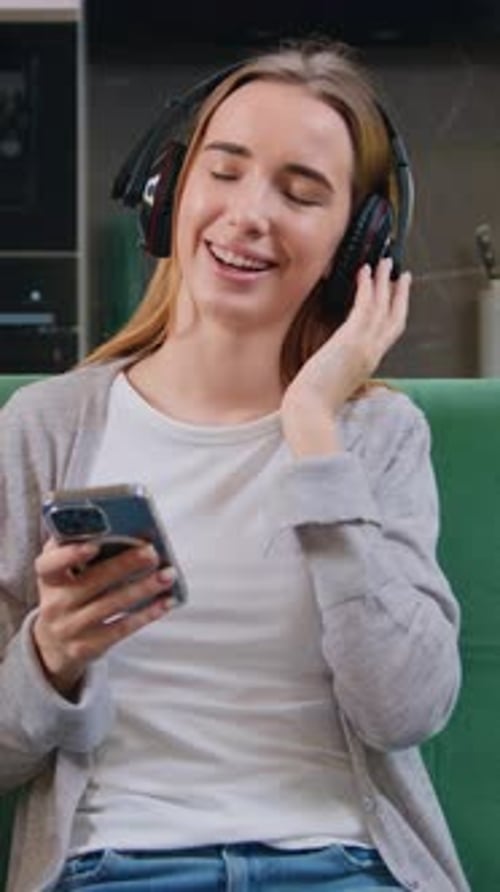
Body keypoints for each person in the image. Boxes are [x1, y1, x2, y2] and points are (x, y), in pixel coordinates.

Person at [0, 39, 470, 892]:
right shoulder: (47, 426)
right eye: (225, 171)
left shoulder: (376, 436)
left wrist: (312, 433)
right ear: (166, 194)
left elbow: (404, 708)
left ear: (357, 246)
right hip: (116, 866)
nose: (250, 213)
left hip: (342, 864)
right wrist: (50, 657)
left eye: (301, 193)